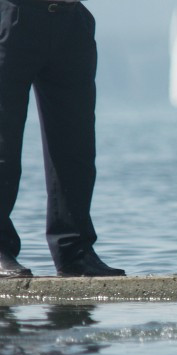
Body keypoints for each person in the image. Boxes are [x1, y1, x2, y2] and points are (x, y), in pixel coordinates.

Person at [0, 0, 124, 278]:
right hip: (13, 14)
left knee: (75, 148)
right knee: (2, 145)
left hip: (71, 20)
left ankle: (75, 252)